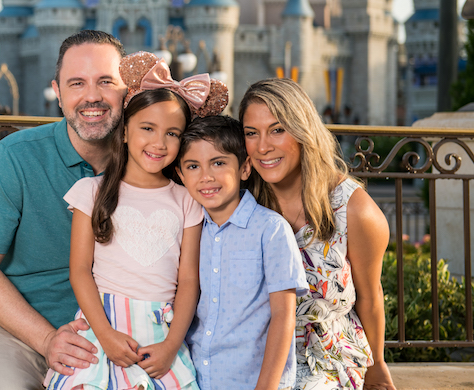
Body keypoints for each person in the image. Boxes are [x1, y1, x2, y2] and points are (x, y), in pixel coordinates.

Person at [44, 51, 228, 390]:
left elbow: (188, 280)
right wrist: (106, 335)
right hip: (103, 328)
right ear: (125, 131)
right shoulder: (92, 192)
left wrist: (173, 344)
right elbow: (80, 271)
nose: (159, 142)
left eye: (173, 134)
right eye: (147, 128)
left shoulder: (187, 200)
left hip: (163, 334)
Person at [0, 30, 127, 390]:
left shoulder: (149, 162)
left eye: (106, 82)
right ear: (59, 92)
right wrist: (48, 339)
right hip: (11, 332)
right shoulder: (16, 156)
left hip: (114, 336)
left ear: (128, 89)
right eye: (77, 83)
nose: (92, 96)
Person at [239, 78, 396, 390]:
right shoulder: (241, 201)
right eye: (250, 133)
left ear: (302, 131)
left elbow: (369, 295)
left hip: (326, 360)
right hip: (255, 354)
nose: (262, 146)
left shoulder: (354, 210)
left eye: (277, 129)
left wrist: (377, 366)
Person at [179, 115, 308, 390]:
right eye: (193, 166)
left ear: (245, 168)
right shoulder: (188, 230)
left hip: (251, 381)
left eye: (218, 162)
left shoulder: (271, 230)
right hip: (193, 379)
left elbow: (283, 317)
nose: (206, 177)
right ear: (181, 175)